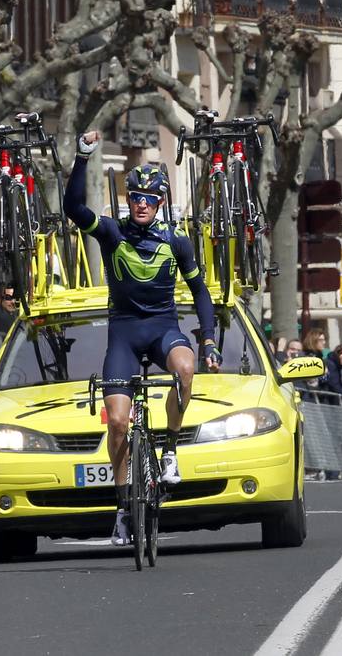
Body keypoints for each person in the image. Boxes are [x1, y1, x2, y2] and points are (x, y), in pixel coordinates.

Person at [65, 129, 216, 547]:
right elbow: (73, 207)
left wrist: (208, 340)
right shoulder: (113, 234)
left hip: (164, 329)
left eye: (150, 199)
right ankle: (121, 508)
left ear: (161, 202)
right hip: (125, 337)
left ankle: (169, 451)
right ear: (128, 199)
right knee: (116, 422)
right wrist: (82, 156)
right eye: (135, 197)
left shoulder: (177, 244)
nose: (142, 204)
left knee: (185, 369)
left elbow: (200, 292)